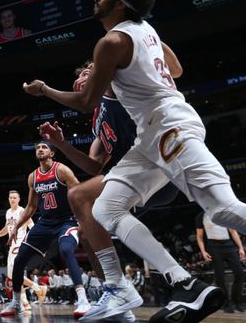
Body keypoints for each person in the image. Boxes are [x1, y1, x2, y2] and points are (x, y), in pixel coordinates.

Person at [23, 0, 246, 323]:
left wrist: (45, 90)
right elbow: (176, 69)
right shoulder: (145, 30)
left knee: (223, 209)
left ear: (122, 5)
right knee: (104, 209)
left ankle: (132, 285)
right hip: (149, 140)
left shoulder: (110, 42)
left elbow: (84, 101)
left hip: (171, 129)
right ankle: (183, 283)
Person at [38, 60, 179, 321]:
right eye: (79, 77)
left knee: (79, 195)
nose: (83, 79)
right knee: (86, 229)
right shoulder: (97, 121)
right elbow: (93, 166)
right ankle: (117, 300)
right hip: (135, 178)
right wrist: (61, 144)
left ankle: (119, 287)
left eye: (89, 73)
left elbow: (97, 81)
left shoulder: (113, 87)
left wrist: (47, 88)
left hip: (155, 167)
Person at [0, 142, 91, 318]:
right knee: (19, 260)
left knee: (66, 250)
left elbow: (80, 193)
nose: (40, 149)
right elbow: (31, 207)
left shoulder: (61, 170)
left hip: (66, 220)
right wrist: (16, 228)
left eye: (44, 147)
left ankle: (83, 300)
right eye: (37, 148)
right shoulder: (33, 177)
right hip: (45, 223)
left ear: (52, 153)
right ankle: (17, 303)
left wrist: (84, 220)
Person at [0, 189, 42, 308]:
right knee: (12, 276)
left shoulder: (22, 211)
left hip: (20, 243)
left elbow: (32, 226)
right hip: (12, 245)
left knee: (15, 273)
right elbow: (6, 228)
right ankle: (26, 301)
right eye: (10, 197)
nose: (12, 199)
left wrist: (30, 241)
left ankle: (36, 290)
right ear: (8, 199)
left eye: (14, 198)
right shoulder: (8, 212)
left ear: (18, 199)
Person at [196, 211, 245, 313]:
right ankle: (226, 303)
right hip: (213, 247)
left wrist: (240, 248)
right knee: (219, 277)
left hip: (229, 245)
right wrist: (203, 252)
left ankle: (237, 302)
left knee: (239, 273)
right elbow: (199, 237)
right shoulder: (201, 216)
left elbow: (233, 232)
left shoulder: (222, 213)